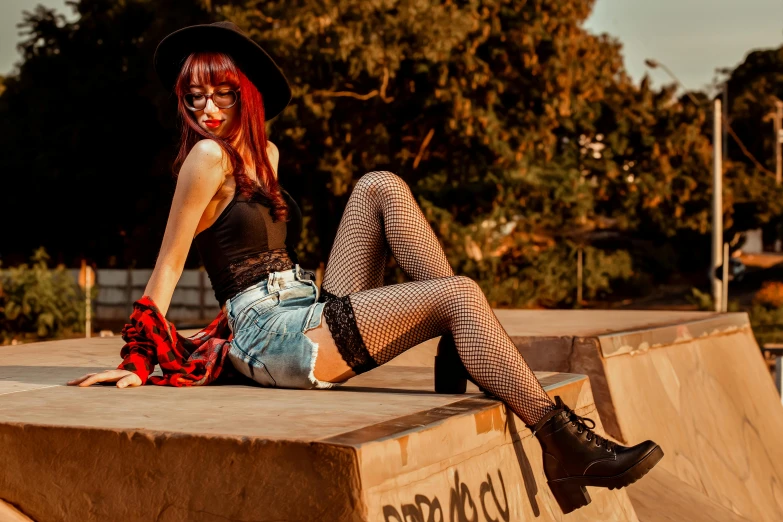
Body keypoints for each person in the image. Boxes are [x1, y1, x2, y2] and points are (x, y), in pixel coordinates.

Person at [67, 21, 662, 513]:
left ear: (244, 93)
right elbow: (169, 263)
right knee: (458, 295)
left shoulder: (264, 153)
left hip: (305, 304)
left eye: (220, 93)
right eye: (193, 96)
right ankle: (560, 441)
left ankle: (462, 349)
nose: (207, 108)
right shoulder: (201, 158)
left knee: (380, 185)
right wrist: (138, 362)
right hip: (268, 335)